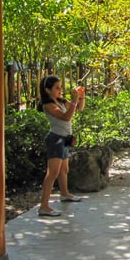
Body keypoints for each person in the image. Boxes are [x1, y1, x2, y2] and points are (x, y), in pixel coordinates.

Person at [37, 75, 85, 217]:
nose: (60, 90)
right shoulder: (48, 106)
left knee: (64, 169)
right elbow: (66, 117)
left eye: (60, 87)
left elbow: (79, 109)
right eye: (56, 88)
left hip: (64, 139)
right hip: (55, 139)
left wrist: (81, 97)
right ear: (47, 90)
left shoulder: (61, 102)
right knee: (52, 173)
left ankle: (65, 193)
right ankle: (44, 206)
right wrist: (75, 101)